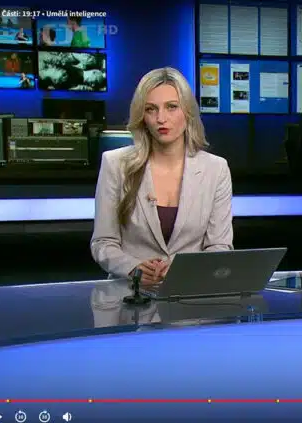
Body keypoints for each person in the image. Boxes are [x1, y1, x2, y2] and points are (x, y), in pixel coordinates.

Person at [91, 67, 233, 285]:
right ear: (142, 116)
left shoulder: (216, 169)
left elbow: (219, 246)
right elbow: (103, 243)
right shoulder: (116, 164)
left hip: (189, 293)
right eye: (151, 109)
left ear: (187, 112)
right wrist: (132, 267)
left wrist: (181, 269)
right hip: (129, 293)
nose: (161, 118)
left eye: (171, 107)